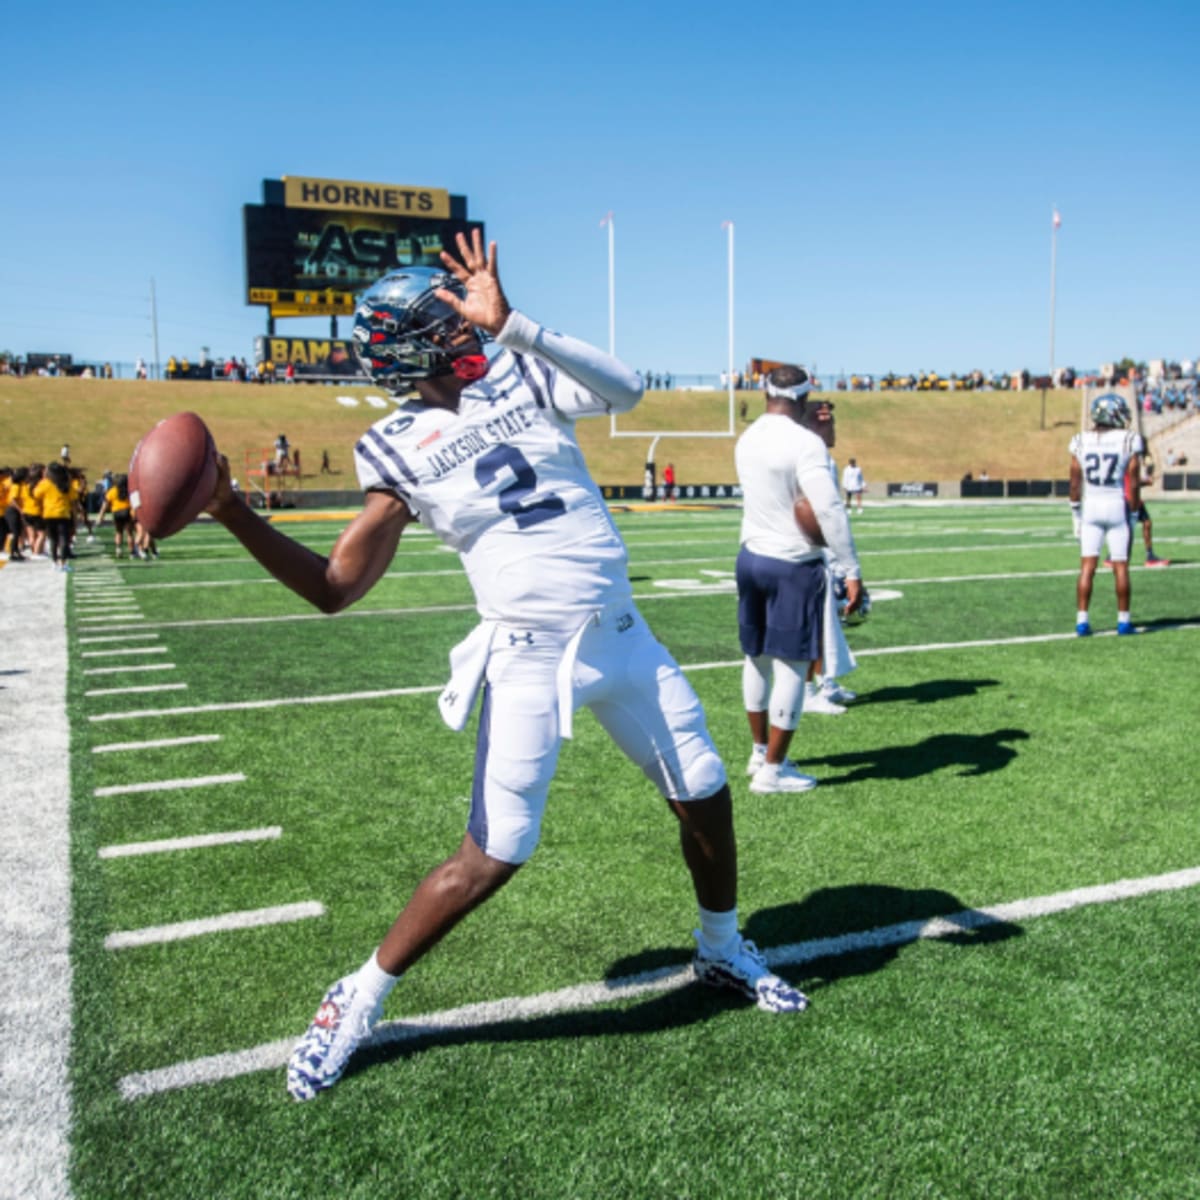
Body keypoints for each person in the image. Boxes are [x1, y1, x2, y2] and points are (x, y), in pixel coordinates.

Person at [204, 231, 810, 1103]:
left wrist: (516, 323)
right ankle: (357, 997)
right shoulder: (395, 447)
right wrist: (230, 510)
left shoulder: (519, 369)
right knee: (491, 855)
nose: (465, 322)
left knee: (706, 788)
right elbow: (335, 586)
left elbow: (627, 387)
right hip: (527, 658)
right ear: (413, 345)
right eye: (445, 316)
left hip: (625, 635)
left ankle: (720, 949)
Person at [734, 365, 864, 794]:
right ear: (805, 398)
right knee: (791, 665)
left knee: (755, 657)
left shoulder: (747, 437)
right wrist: (851, 569)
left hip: (750, 556)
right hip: (792, 562)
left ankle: (758, 753)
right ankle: (774, 769)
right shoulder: (804, 443)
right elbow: (827, 509)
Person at [1069, 393, 1142, 636]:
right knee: (1120, 566)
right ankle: (1123, 621)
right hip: (1115, 505)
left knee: (1087, 566)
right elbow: (1133, 482)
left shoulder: (1080, 440)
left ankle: (1082, 620)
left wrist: (1075, 514)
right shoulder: (1128, 439)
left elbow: (1074, 482)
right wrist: (1133, 512)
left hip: (1091, 507)